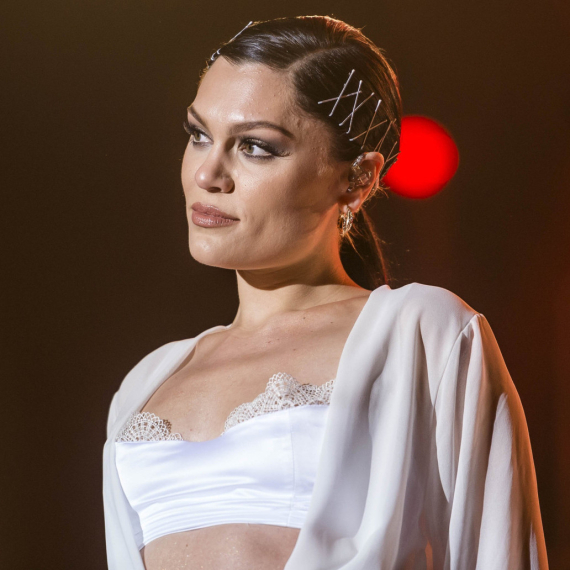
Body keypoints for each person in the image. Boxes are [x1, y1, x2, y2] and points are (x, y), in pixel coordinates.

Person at [102, 15, 549, 570]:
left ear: (357, 179)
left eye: (255, 147)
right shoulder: (146, 382)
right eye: (199, 136)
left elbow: (498, 551)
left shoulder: (420, 333)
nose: (207, 175)